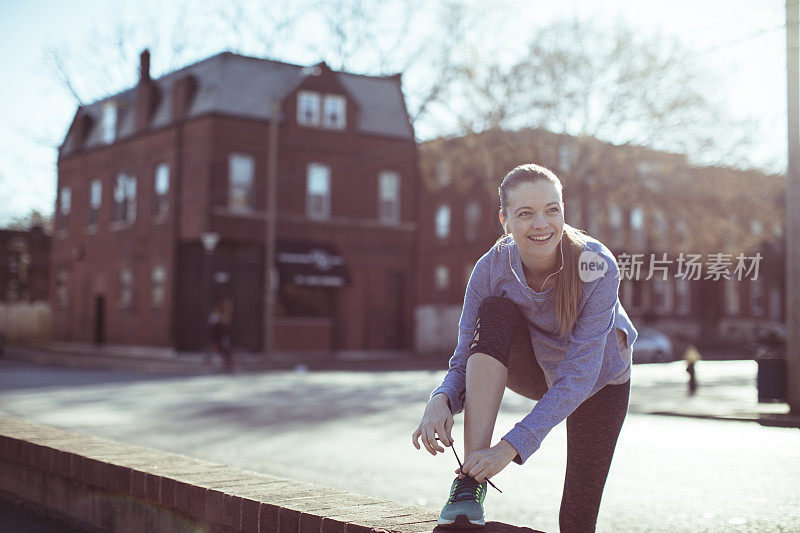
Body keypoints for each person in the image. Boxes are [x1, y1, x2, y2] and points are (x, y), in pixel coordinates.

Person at [412, 163, 638, 532]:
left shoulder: (596, 266)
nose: (542, 224)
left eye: (552, 210)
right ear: (505, 219)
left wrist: (509, 447)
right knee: (495, 311)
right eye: (525, 213)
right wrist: (441, 401)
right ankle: (470, 484)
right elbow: (464, 358)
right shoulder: (491, 269)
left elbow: (578, 377)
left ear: (564, 211)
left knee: (578, 517)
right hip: (533, 367)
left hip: (599, 380)